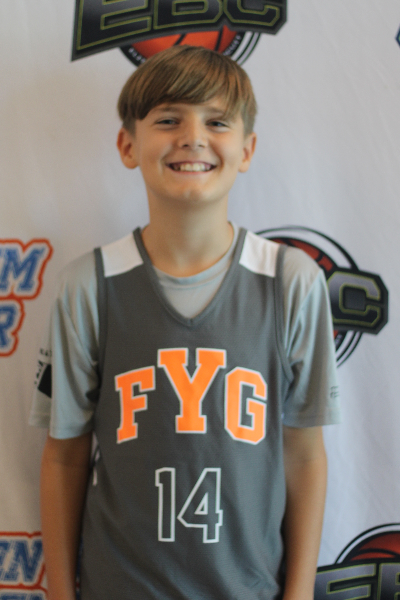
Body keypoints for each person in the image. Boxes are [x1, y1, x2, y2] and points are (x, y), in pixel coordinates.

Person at [31, 45, 340, 600]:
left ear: (247, 149)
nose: (193, 137)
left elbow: (303, 453)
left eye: (216, 122)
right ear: (128, 145)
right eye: (168, 120)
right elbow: (64, 454)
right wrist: (59, 592)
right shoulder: (88, 285)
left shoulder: (291, 282)